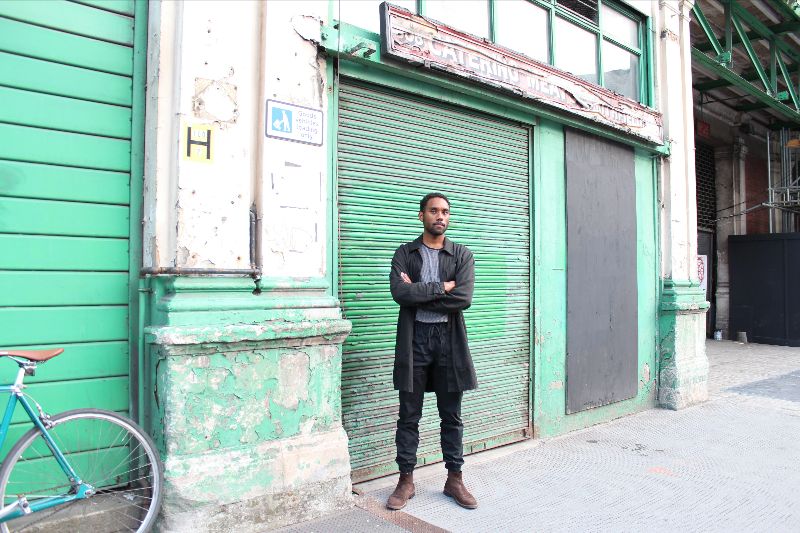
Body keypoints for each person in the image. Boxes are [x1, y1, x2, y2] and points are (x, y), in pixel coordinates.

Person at [386, 192, 478, 511]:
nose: (440, 216)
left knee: (451, 416)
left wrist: (419, 292)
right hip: (415, 341)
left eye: (445, 212)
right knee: (408, 415)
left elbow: (463, 298)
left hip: (448, 342)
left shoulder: (461, 255)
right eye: (434, 211)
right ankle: (406, 481)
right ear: (421, 215)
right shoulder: (405, 253)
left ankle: (454, 479)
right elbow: (400, 293)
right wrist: (442, 287)